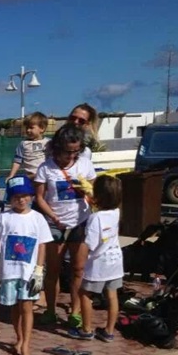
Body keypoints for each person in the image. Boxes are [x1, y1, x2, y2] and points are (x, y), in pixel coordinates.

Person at [0, 175, 52, 355]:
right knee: (14, 308)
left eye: (24, 196)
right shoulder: (4, 218)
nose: (21, 200)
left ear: (30, 196)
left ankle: (27, 346)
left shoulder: (38, 218)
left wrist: (39, 268)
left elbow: (42, 245)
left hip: (29, 273)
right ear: (10, 199)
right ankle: (19, 338)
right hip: (9, 272)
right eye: (16, 197)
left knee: (27, 307)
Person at [34, 125, 97, 328]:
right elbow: (40, 198)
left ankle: (75, 311)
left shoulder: (85, 164)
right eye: (67, 151)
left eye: (75, 151)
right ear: (57, 148)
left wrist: (87, 190)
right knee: (53, 270)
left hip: (80, 221)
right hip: (54, 223)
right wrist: (52, 216)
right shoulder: (46, 168)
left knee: (78, 270)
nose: (71, 156)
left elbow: (95, 195)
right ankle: (51, 310)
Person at [68, 175, 123, 342]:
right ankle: (109, 331)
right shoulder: (116, 212)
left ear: (97, 196)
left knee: (85, 294)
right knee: (112, 295)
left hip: (99, 263)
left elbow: (88, 244)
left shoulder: (95, 218)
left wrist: (79, 262)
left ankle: (86, 329)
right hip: (115, 261)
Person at [6, 112, 49, 180]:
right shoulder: (23, 144)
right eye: (27, 128)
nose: (28, 130)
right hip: (31, 177)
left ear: (42, 128)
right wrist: (11, 175)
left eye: (31, 128)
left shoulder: (49, 142)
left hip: (46, 176)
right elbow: (17, 161)